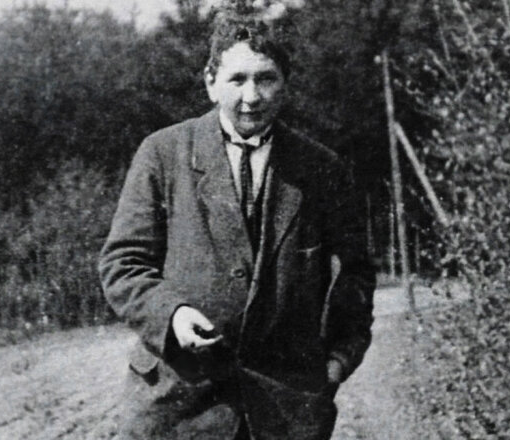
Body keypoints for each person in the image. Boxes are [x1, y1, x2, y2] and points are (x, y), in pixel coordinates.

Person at [98, 3, 375, 439]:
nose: (252, 96)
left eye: (266, 79)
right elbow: (123, 265)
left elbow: (355, 275)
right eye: (237, 79)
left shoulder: (323, 169)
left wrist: (339, 361)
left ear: (285, 84)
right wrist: (172, 316)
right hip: (178, 406)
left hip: (286, 411)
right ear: (211, 82)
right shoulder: (163, 154)